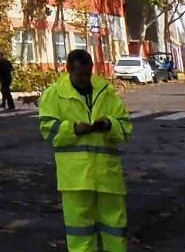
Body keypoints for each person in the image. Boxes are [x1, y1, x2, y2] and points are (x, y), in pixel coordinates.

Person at [38, 48, 133, 252]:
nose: (85, 80)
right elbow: (49, 130)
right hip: (75, 180)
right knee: (79, 233)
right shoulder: (54, 95)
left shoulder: (106, 92)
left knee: (115, 229)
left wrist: (109, 125)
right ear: (68, 70)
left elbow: (125, 127)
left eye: (88, 75)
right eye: (80, 75)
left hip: (107, 176)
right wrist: (73, 129)